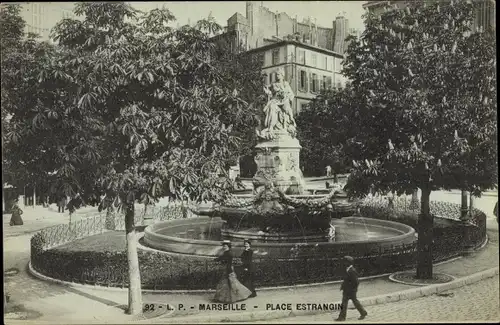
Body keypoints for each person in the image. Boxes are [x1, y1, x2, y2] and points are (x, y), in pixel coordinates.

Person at [336, 256, 367, 321]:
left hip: (350, 291)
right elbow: (346, 280)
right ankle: (342, 317)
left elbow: (356, 282)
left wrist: (352, 290)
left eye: (345, 262)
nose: (344, 263)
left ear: (348, 262)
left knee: (349, 302)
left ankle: (342, 317)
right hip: (347, 290)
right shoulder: (348, 269)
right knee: (347, 303)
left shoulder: (352, 270)